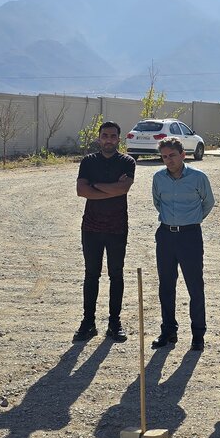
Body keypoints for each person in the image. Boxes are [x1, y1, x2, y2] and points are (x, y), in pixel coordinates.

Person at [151, 137, 215, 352]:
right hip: (166, 236)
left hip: (190, 236)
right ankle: (169, 330)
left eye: (172, 155)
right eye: (164, 156)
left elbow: (208, 203)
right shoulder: (158, 178)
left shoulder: (198, 177)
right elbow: (157, 202)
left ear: (183, 155)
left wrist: (192, 220)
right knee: (166, 286)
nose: (168, 160)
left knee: (195, 286)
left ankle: (198, 334)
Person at [74, 121, 135, 343]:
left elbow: (123, 189)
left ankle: (114, 323)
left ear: (119, 138)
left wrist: (96, 185)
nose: (109, 139)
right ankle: (88, 322)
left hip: (117, 227)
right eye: (105, 135)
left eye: (113, 136)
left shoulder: (127, 162)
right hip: (91, 227)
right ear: (99, 137)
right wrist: (111, 188)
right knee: (91, 274)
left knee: (116, 274)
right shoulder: (88, 161)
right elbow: (81, 191)